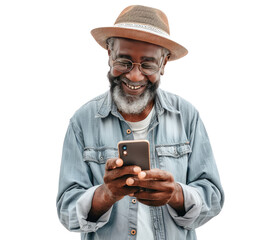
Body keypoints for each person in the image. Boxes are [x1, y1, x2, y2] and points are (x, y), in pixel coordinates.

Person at [56, 5, 224, 240]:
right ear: (109, 55)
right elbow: (66, 210)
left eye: (148, 64)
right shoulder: (82, 121)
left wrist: (175, 194)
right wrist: (106, 194)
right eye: (124, 61)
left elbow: (213, 197)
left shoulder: (186, 116)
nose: (134, 76)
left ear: (164, 63)